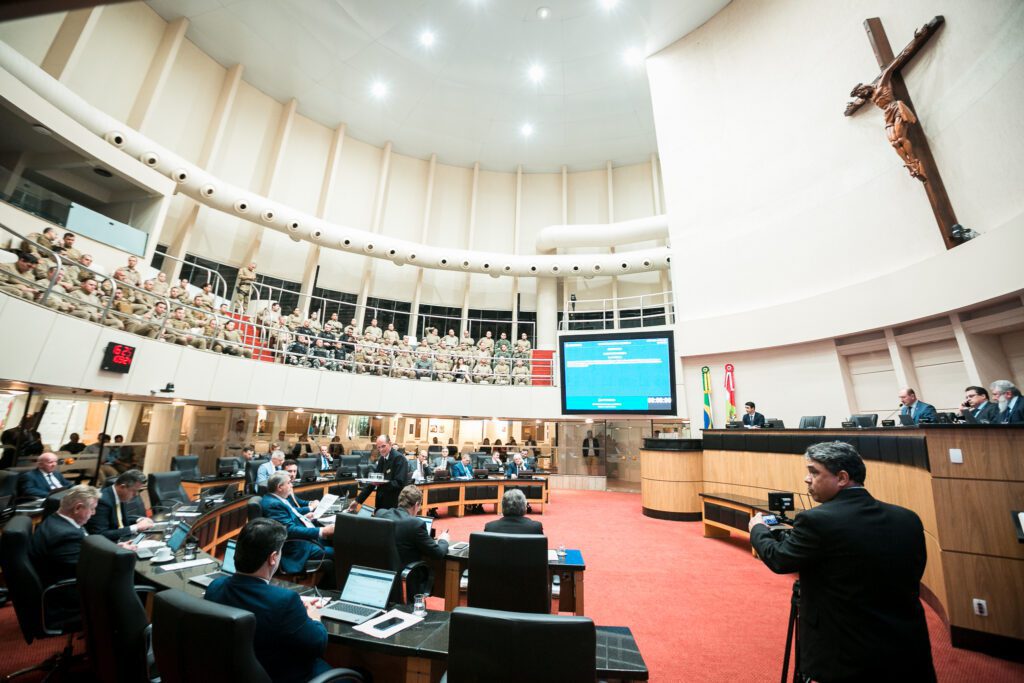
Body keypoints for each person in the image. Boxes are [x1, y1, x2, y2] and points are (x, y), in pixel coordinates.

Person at [748, 442, 935, 682]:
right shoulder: (907, 518)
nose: (807, 479)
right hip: (905, 647)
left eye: (814, 472)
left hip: (848, 652)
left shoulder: (817, 521)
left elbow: (780, 559)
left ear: (842, 478)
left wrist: (758, 530)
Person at [205, 519, 333, 683]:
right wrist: (313, 616)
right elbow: (318, 645)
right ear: (273, 558)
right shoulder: (285, 601)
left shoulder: (215, 587)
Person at [375, 485, 450, 596]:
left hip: (381, 576)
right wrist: (443, 540)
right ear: (416, 505)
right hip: (406, 578)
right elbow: (437, 553)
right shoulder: (415, 524)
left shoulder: (380, 514)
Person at [261, 472, 335, 576]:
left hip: (306, 539)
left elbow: (290, 516)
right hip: (298, 547)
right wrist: (322, 531)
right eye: (289, 483)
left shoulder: (278, 499)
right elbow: (289, 530)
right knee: (336, 552)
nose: (291, 485)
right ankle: (334, 586)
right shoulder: (273, 504)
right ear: (280, 487)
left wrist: (304, 517)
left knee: (337, 542)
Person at [85, 469, 154, 541]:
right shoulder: (102, 501)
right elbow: (101, 534)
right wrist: (136, 527)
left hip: (123, 539)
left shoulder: (120, 495)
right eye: (134, 491)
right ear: (122, 487)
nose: (136, 495)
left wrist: (139, 520)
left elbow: (119, 520)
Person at [347, 435, 409, 512]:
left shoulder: (399, 459)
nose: (381, 450)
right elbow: (373, 482)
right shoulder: (382, 459)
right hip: (380, 504)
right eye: (379, 447)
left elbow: (399, 483)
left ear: (390, 443)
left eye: (383, 446)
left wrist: (382, 483)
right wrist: (357, 501)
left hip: (393, 505)